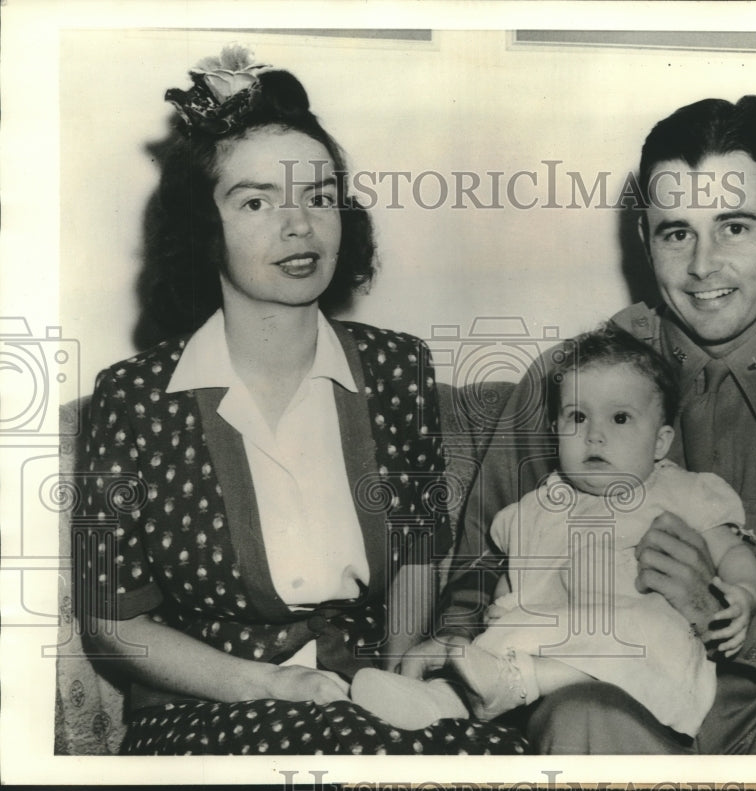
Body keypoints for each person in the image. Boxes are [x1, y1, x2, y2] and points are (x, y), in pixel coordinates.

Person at [406, 95, 756, 754]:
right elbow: (482, 563)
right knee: (582, 715)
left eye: (736, 227)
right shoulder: (570, 379)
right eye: (676, 231)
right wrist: (455, 641)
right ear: (645, 237)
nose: (702, 265)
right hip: (610, 696)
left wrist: (733, 618)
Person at [71, 45, 527, 756]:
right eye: (257, 201)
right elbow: (110, 618)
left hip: (366, 697)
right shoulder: (131, 398)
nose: (300, 225)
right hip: (209, 711)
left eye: (318, 196)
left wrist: (398, 678)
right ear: (203, 229)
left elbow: (414, 554)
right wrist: (264, 684)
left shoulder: (397, 368)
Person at [350, 325, 756, 735]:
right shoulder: (534, 506)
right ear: (554, 430)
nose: (594, 434)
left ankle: (515, 684)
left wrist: (742, 593)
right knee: (503, 635)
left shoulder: (680, 491)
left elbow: (731, 551)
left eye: (620, 418)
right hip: (553, 630)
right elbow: (518, 569)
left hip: (632, 647)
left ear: (660, 441)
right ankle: (439, 701)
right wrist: (502, 602)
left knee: (645, 632)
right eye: (577, 416)